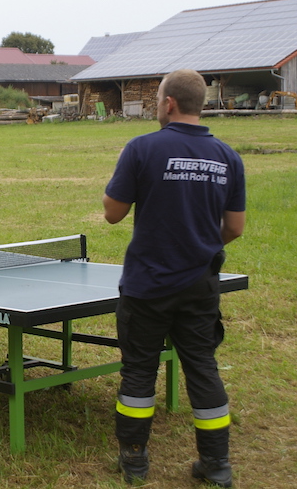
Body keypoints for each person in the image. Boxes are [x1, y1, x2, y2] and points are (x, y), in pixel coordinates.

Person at [103, 69, 246, 487]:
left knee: (138, 371)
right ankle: (216, 465)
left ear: (168, 103)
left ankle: (134, 462)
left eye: (157, 101)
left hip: (146, 286)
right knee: (203, 367)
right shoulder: (229, 157)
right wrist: (200, 245)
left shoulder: (141, 148)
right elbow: (235, 228)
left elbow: (113, 213)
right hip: (200, 284)